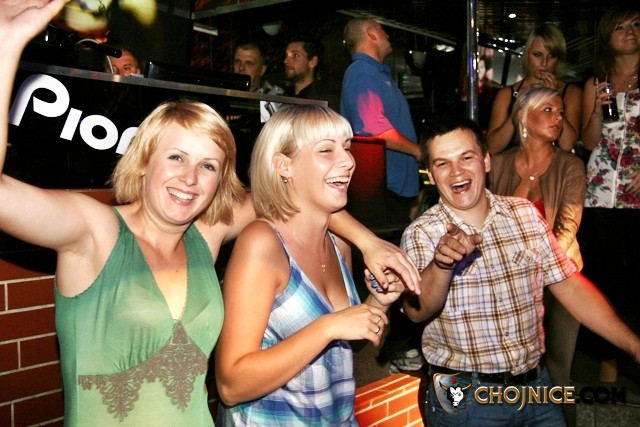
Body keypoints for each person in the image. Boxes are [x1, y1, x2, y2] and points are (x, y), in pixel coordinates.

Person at [1, 3, 420, 425]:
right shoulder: (96, 230)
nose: (190, 178)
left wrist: (366, 242)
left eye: (208, 166)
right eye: (176, 157)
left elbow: (297, 195)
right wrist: (8, 40)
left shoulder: (205, 236)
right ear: (143, 160)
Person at [401, 116, 640, 427]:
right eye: (442, 163)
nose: (456, 171)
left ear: (486, 161)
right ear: (431, 175)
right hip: (465, 396)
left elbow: (570, 286)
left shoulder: (524, 214)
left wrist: (633, 344)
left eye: (466, 157)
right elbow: (416, 311)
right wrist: (442, 264)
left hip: (535, 388)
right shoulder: (421, 233)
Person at [215, 104, 410, 425]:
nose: (348, 161)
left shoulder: (338, 242)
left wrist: (378, 302)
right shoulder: (263, 242)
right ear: (284, 166)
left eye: (346, 148)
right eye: (326, 150)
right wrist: (327, 327)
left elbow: (341, 342)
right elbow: (230, 385)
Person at [487, 87, 586, 427]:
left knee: (557, 371)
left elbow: (567, 227)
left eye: (561, 112)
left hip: (560, 281)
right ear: (523, 117)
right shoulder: (499, 164)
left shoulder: (570, 165)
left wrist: (535, 271)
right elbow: (489, 224)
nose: (558, 118)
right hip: (510, 284)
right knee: (508, 370)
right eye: (548, 110)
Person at [579, 4, 640, 384]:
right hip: (601, 193)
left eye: (636, 24)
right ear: (607, 36)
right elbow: (588, 142)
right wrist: (598, 112)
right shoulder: (596, 83)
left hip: (637, 192)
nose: (629, 31)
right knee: (605, 277)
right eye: (620, 26)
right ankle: (609, 359)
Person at [340, 17, 421, 225]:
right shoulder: (362, 72)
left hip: (393, 189)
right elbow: (374, 129)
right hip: (384, 188)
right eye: (383, 30)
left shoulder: (376, 73)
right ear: (371, 33)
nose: (387, 35)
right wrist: (419, 151)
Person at [486, 23, 582, 154]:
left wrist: (553, 98)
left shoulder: (571, 93)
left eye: (551, 56)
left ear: (558, 59)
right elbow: (492, 147)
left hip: (554, 165)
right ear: (526, 55)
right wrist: (520, 106)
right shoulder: (508, 94)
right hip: (514, 164)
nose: (544, 63)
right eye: (537, 55)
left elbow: (567, 144)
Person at [283, 35, 323, 99]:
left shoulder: (322, 100)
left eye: (295, 55)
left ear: (313, 61)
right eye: (286, 55)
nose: (286, 61)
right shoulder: (283, 96)